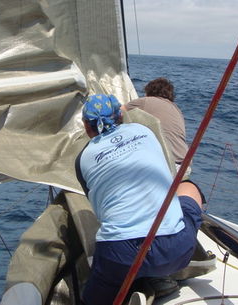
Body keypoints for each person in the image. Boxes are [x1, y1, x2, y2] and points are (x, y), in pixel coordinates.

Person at [75, 94, 203, 305]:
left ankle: (136, 280)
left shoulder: (83, 159)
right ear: (120, 116)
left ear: (86, 126)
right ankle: (158, 275)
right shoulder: (145, 131)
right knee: (188, 187)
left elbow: (99, 207)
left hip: (120, 256)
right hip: (177, 251)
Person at [123, 77, 189, 174]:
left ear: (149, 91)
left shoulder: (145, 101)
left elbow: (118, 112)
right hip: (184, 165)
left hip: (167, 163)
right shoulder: (176, 109)